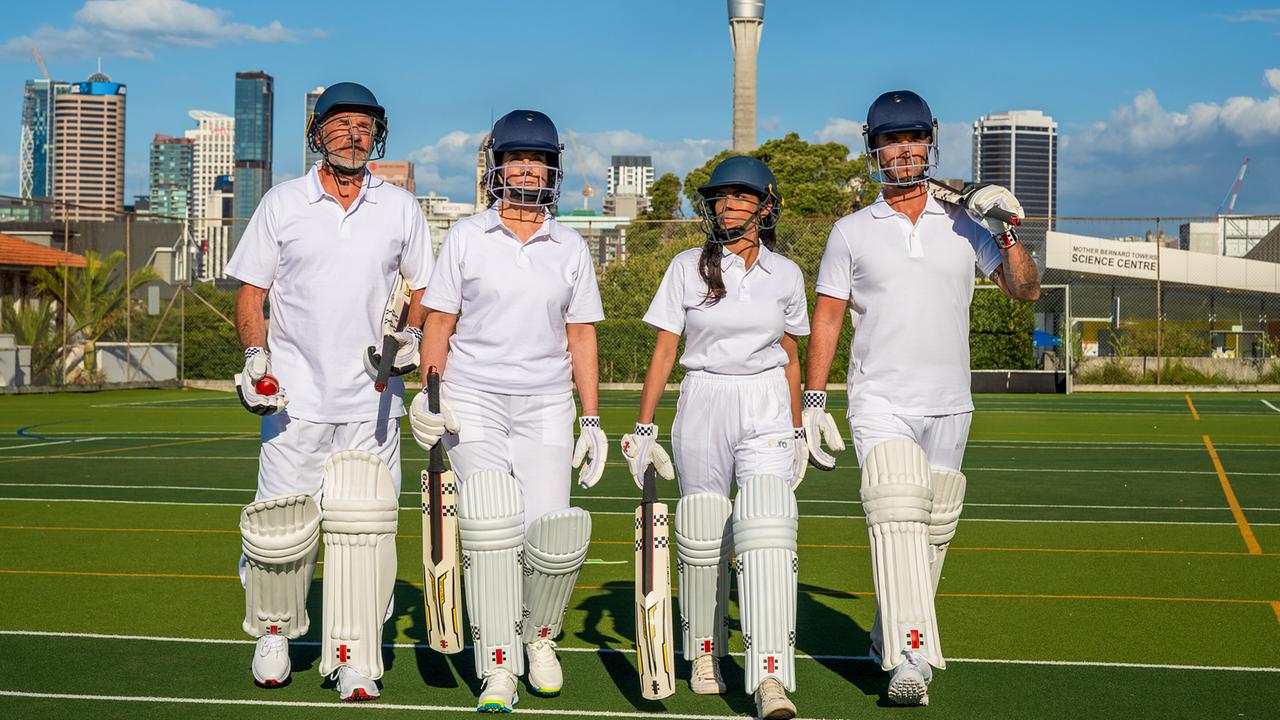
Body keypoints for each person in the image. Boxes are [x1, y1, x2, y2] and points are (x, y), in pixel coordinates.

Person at [802, 90, 1041, 706]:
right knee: (896, 512)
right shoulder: (852, 231)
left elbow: (1024, 292)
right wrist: (813, 399)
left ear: (929, 144)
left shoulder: (965, 222)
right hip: (879, 398)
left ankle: (888, 634)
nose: (903, 150)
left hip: (949, 401)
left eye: (912, 139)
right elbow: (827, 318)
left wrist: (1009, 232)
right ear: (875, 149)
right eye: (890, 140)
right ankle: (912, 658)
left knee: (932, 531)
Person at [227, 82, 434, 702]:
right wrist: (255, 357)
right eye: (340, 124)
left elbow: (422, 288)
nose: (353, 134)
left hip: (373, 401)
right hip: (293, 399)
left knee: (365, 532)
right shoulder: (283, 202)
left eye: (364, 125)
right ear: (318, 133)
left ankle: (356, 653)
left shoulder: (399, 207)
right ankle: (273, 632)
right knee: (279, 528)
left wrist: (410, 340)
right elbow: (250, 290)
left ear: (378, 135)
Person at [409, 109, 607, 713]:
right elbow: (439, 322)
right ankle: (498, 664)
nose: (526, 168)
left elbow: (581, 337)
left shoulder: (570, 245)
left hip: (547, 400)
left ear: (552, 170)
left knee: (548, 533)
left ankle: (539, 636)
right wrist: (431, 394)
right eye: (514, 158)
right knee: (493, 525)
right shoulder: (468, 235)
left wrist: (593, 419)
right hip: (473, 396)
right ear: (498, 167)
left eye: (537, 159)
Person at [622, 156, 809, 720]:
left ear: (766, 204)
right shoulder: (686, 266)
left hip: (766, 401)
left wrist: (799, 426)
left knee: (767, 531)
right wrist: (644, 426)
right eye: (718, 198)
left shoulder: (787, 274)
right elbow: (664, 351)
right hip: (702, 397)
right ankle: (706, 653)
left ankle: (770, 677)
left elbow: (793, 356)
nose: (725, 206)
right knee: (705, 534)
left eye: (738, 196)